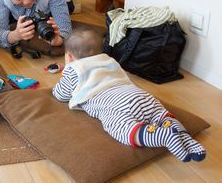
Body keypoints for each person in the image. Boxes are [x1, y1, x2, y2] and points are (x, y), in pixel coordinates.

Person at [52, 25, 206, 162]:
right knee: (160, 115)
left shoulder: (74, 69)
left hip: (115, 105)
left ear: (70, 56)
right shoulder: (109, 60)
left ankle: (164, 136)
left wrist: (65, 72)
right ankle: (185, 138)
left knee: (122, 128)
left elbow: (61, 94)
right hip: (139, 95)